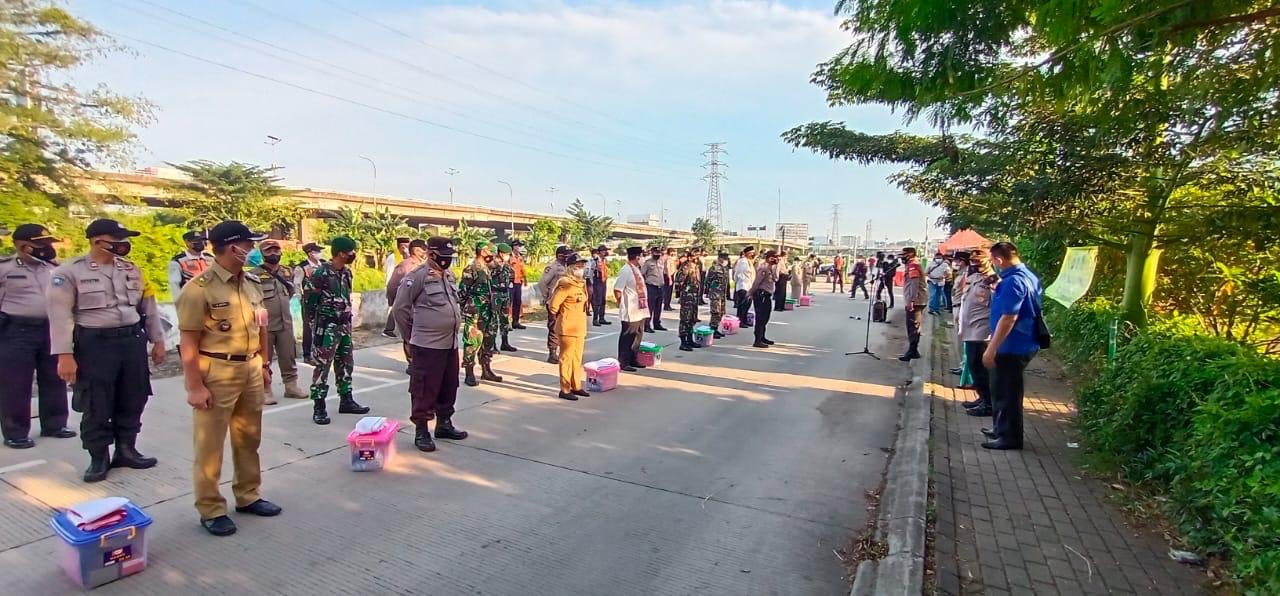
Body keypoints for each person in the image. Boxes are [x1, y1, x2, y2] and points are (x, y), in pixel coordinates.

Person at [174, 220, 282, 537]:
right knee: (210, 446)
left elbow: (261, 326)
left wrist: (264, 364)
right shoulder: (199, 289)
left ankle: (248, 495)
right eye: (248, 245)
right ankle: (211, 508)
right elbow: (188, 342)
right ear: (232, 247)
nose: (253, 250)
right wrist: (194, 386)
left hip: (250, 368)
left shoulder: (251, 283)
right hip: (217, 371)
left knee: (248, 438)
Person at [48, 218, 166, 482]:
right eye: (117, 240)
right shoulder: (68, 273)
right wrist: (64, 355)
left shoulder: (132, 269)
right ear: (97, 241)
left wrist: (158, 341)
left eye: (125, 239)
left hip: (131, 341)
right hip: (95, 344)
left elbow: (149, 307)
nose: (123, 244)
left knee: (134, 395)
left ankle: (126, 449)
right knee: (96, 401)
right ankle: (98, 456)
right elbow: (60, 317)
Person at [0, 224, 75, 449]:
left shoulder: (54, 268)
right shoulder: (5, 269)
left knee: (54, 377)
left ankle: (55, 424)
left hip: (50, 329)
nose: (47, 247)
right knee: (15, 383)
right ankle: (16, 432)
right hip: (16, 330)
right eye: (41, 244)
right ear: (23, 246)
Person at [393, 236, 468, 452]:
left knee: (449, 385)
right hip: (427, 345)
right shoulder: (417, 276)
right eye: (444, 256)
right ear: (432, 254)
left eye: (450, 256)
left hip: (449, 343)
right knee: (424, 388)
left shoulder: (449, 275)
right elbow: (400, 309)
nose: (447, 260)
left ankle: (444, 423)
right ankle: (421, 430)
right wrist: (410, 338)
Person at [981, 242, 1044, 450]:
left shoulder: (1013, 282)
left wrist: (991, 348)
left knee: (1007, 392)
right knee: (1001, 389)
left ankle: (1009, 437)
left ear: (999, 260)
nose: (992, 264)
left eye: (992, 260)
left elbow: (1009, 318)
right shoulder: (1028, 276)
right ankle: (1001, 429)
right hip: (1021, 342)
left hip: (1012, 345)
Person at [305, 236, 369, 425]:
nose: (353, 254)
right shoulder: (320, 274)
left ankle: (346, 400)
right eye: (350, 251)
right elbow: (309, 303)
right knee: (322, 366)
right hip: (326, 328)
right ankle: (319, 406)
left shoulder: (346, 273)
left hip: (344, 326)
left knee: (346, 363)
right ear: (341, 253)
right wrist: (314, 327)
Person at [249, 240, 305, 404]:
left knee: (288, 355)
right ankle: (265, 389)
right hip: (264, 324)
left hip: (285, 321)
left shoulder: (287, 272)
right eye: (269, 251)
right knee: (263, 358)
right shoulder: (254, 274)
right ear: (262, 254)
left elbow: (291, 292)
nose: (273, 253)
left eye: (276, 250)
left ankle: (291, 386)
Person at [956, 250, 996, 416]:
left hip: (982, 330)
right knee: (974, 366)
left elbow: (997, 305)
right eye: (972, 260)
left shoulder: (993, 281)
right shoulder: (973, 277)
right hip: (969, 328)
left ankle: (988, 403)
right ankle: (982, 397)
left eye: (978, 261)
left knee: (979, 367)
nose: (974, 263)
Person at [460, 242, 503, 387]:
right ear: (483, 252)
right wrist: (465, 309)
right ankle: (469, 373)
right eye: (491, 252)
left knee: (488, 339)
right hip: (476, 310)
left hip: (488, 310)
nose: (494, 256)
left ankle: (486, 370)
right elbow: (463, 291)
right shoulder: (471, 268)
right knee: (472, 341)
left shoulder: (487, 268)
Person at [549, 254, 590, 400]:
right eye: (578, 266)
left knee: (577, 358)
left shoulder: (581, 283)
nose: (581, 269)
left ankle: (576, 386)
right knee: (566, 358)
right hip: (568, 327)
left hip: (579, 326)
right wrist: (563, 316)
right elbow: (553, 306)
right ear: (571, 268)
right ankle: (565, 389)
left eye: (582, 266)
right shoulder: (565, 283)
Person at [387, 239, 428, 370]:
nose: (425, 252)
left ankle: (421, 362)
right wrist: (394, 302)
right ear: (415, 250)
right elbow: (392, 286)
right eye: (423, 249)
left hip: (423, 309)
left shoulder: (426, 265)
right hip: (408, 309)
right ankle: (412, 363)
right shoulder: (405, 266)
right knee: (410, 337)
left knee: (422, 337)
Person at [614, 246, 649, 372]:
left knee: (637, 335)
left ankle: (633, 358)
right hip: (630, 310)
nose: (643, 259)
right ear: (637, 257)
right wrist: (621, 303)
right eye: (642, 256)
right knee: (627, 337)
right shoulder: (626, 270)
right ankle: (624, 361)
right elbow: (617, 289)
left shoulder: (636, 269)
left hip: (639, 309)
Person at [537, 245, 571, 363]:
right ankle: (552, 352)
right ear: (559, 255)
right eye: (566, 254)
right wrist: (547, 296)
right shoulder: (553, 267)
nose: (568, 256)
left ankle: (563, 351)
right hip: (554, 302)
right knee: (554, 327)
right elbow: (542, 283)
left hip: (566, 303)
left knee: (565, 327)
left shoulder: (568, 267)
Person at [294, 242, 325, 363]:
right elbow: (297, 284)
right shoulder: (302, 267)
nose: (319, 253)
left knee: (322, 326)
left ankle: (320, 352)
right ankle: (307, 355)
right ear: (310, 253)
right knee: (308, 328)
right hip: (309, 300)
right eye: (317, 251)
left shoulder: (323, 264)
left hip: (323, 299)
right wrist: (300, 298)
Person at [898, 248, 928, 361]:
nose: (902, 257)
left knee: (913, 326)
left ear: (910, 255)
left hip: (916, 301)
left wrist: (912, 301)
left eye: (903, 255)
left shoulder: (913, 266)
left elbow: (914, 284)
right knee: (913, 326)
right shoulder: (912, 264)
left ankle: (912, 351)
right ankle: (913, 351)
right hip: (917, 300)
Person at [491, 243, 518, 352]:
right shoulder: (492, 264)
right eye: (507, 254)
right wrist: (499, 266)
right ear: (501, 253)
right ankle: (492, 344)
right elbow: (490, 277)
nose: (508, 256)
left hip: (505, 293)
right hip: (495, 294)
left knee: (505, 319)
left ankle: (505, 342)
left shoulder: (506, 265)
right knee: (493, 320)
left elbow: (511, 276)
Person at [749, 250, 779, 348]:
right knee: (760, 318)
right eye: (774, 257)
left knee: (766, 317)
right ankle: (757, 340)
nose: (776, 259)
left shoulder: (771, 268)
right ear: (769, 257)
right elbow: (757, 282)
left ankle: (762, 337)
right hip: (761, 295)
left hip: (767, 296)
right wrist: (750, 292)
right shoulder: (763, 268)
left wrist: (775, 267)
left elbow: (776, 279)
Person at [381, 237, 410, 338]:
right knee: (395, 307)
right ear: (401, 247)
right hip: (395, 286)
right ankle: (388, 330)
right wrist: (389, 289)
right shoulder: (393, 258)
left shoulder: (406, 257)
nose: (407, 249)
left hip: (405, 286)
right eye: (406, 247)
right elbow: (389, 274)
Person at [168, 230, 213, 295]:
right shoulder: (178, 261)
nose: (201, 243)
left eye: (202, 240)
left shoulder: (210, 258)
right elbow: (174, 285)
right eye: (197, 241)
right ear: (187, 242)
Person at [674, 251, 702, 351]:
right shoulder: (685, 267)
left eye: (698, 256)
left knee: (692, 319)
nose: (697, 257)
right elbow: (678, 282)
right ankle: (683, 342)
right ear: (689, 257)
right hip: (687, 297)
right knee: (685, 319)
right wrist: (680, 294)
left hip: (694, 297)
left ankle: (690, 340)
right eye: (695, 256)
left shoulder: (695, 267)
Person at [641, 247, 667, 333]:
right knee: (650, 307)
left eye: (659, 253)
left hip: (660, 286)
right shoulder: (648, 262)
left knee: (658, 307)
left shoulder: (661, 261)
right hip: (651, 286)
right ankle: (647, 325)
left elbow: (663, 272)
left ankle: (657, 324)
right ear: (652, 253)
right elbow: (642, 273)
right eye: (656, 253)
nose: (658, 255)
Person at [705, 251, 730, 339]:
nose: (725, 259)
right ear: (719, 258)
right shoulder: (714, 268)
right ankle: (712, 329)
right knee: (715, 312)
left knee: (721, 312)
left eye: (726, 257)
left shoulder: (725, 268)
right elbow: (708, 280)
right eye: (723, 257)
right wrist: (707, 291)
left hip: (722, 294)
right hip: (715, 294)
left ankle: (716, 329)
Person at [585, 244, 612, 326]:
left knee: (603, 300)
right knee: (597, 300)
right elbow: (589, 271)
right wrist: (591, 281)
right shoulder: (595, 260)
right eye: (604, 251)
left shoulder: (605, 260)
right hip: (597, 281)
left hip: (603, 281)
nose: (605, 252)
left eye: (606, 250)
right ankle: (595, 319)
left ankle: (602, 318)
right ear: (600, 252)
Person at [733, 246, 757, 327]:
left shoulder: (748, 261)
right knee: (743, 305)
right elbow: (739, 273)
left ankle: (744, 320)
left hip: (748, 285)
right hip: (743, 285)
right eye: (751, 253)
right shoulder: (743, 261)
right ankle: (740, 321)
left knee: (747, 304)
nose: (753, 255)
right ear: (747, 253)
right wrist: (738, 281)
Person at [508, 240, 528, 330]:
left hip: (518, 282)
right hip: (510, 282)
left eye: (520, 246)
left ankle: (515, 322)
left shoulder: (520, 257)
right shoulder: (509, 257)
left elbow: (522, 268)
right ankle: (507, 323)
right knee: (509, 302)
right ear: (513, 246)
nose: (519, 247)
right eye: (518, 246)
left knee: (517, 302)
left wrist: (525, 278)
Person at [662, 247, 677, 311]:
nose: (673, 254)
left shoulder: (671, 259)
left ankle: (668, 305)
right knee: (668, 292)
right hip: (668, 276)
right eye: (672, 252)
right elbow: (667, 269)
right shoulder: (668, 259)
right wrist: (670, 278)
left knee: (670, 291)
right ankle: (666, 305)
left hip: (671, 275)